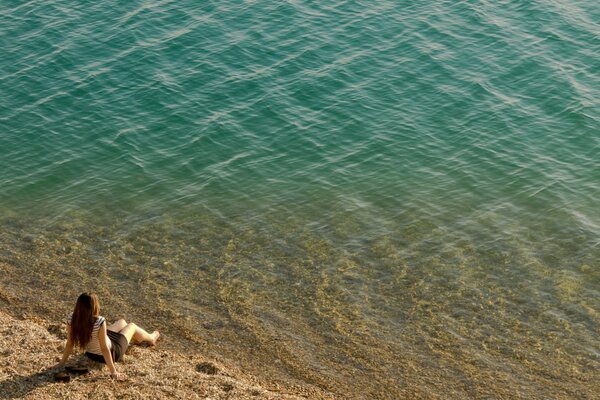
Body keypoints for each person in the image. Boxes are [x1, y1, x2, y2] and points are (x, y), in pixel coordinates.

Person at [52, 292, 160, 380]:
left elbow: (70, 343)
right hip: (113, 351)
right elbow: (104, 348)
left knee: (122, 322)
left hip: (91, 353)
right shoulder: (99, 321)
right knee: (132, 326)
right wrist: (113, 371)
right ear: (94, 306)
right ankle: (151, 338)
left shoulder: (71, 318)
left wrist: (62, 363)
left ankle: (136, 337)